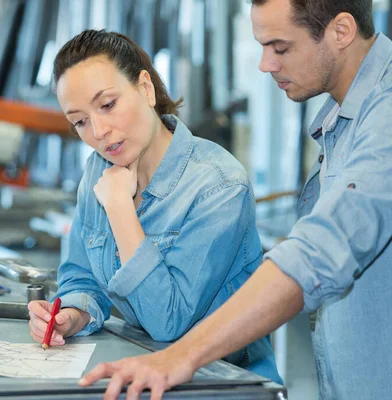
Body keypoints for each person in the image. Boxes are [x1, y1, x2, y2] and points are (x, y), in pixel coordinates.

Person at [79, 0, 392, 399]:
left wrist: (182, 355)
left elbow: (320, 251)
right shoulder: (344, 119)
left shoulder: (385, 114)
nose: (265, 65)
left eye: (280, 48)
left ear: (342, 31)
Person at [26, 29, 282, 383]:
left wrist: (120, 210)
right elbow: (81, 276)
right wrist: (72, 314)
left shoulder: (218, 186)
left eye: (108, 105)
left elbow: (168, 320)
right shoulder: (99, 169)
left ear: (146, 88)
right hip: (147, 371)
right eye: (80, 121)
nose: (98, 131)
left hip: (225, 384)